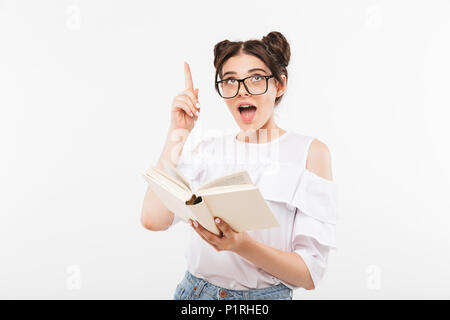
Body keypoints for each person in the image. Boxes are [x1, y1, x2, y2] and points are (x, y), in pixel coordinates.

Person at [141, 31, 337, 300]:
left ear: (279, 85)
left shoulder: (310, 153)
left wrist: (242, 246)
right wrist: (178, 131)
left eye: (256, 78)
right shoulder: (207, 150)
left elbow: (308, 274)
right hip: (194, 295)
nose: (242, 90)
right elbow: (153, 219)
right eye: (230, 80)